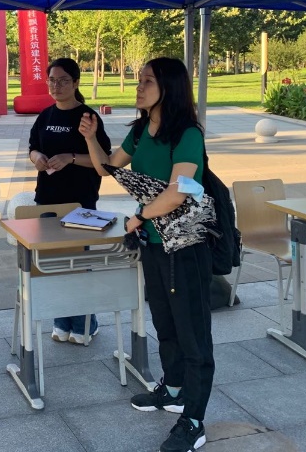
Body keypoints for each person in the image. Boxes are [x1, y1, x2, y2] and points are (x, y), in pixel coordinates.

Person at [81, 57, 213, 452]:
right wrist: (91, 137)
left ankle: (194, 421)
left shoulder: (186, 133)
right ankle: (172, 389)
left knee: (193, 335)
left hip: (185, 247)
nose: (138, 87)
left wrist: (138, 216)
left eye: (147, 81)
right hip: (154, 244)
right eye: (139, 80)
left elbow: (179, 191)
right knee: (165, 322)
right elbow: (107, 168)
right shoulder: (140, 131)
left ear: (169, 88)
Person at [28, 58, 111, 344]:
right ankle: (61, 321)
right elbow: (32, 147)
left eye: (63, 80)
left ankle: (85, 324)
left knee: (79, 264)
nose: (56, 86)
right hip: (47, 201)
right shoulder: (45, 116)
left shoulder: (87, 118)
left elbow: (104, 161)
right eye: (52, 80)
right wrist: (37, 157)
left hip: (79, 203)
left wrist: (71, 158)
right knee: (54, 264)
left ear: (76, 83)